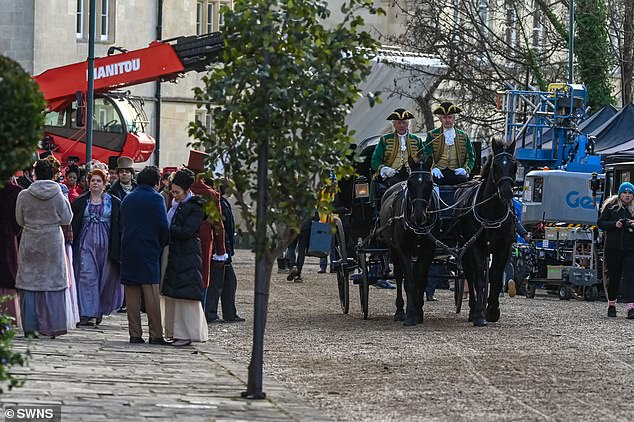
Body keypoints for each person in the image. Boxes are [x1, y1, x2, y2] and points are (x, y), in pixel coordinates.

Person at [15, 159, 73, 338]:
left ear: (35, 174)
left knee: (29, 283)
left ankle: (30, 326)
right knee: (52, 283)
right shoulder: (58, 195)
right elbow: (67, 218)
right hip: (52, 242)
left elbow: (19, 219)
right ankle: (52, 324)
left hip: (31, 240)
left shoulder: (24, 195)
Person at [120, 166, 170, 344]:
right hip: (148, 249)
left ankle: (134, 333)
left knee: (132, 292)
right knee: (151, 294)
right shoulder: (156, 199)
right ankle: (156, 333)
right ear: (156, 182)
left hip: (128, 248)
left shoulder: (128, 198)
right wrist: (161, 243)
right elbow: (163, 226)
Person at [161, 169, 209, 346]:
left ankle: (186, 332)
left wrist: (167, 230)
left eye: (177, 192)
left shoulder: (195, 207)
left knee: (184, 294)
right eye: (172, 192)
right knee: (175, 294)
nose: (173, 195)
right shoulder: (178, 205)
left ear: (187, 190)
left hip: (187, 252)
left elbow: (188, 231)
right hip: (177, 251)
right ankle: (175, 330)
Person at [71, 168, 123, 327]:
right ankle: (87, 313)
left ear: (105, 183)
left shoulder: (114, 202)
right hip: (85, 243)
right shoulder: (81, 201)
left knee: (104, 277)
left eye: (98, 180)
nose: (95, 183)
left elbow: (119, 225)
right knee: (87, 276)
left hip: (106, 243)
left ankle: (98, 309)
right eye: (93, 180)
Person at [205, 182, 245, 323]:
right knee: (217, 284)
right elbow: (221, 229)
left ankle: (229, 313)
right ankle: (212, 313)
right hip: (220, 251)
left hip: (224, 250)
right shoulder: (218, 203)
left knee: (228, 282)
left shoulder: (222, 202)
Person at [597, 182, 634, 319]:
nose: (627, 195)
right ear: (620, 194)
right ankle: (611, 304)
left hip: (631, 248)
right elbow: (600, 223)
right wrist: (614, 224)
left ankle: (631, 307)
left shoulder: (633, 209)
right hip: (613, 248)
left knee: (630, 277)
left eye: (630, 193)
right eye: (625, 193)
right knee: (613, 277)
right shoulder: (611, 207)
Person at [370, 108, 430, 190]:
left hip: (411, 175)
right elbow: (375, 160)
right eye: (398, 123)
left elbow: (423, 157)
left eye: (404, 122)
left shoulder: (416, 140)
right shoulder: (384, 140)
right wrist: (384, 169)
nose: (401, 125)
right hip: (391, 176)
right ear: (394, 124)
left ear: (407, 124)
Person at [426, 101, 475, 186]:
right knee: (432, 182)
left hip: (456, 172)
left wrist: (465, 169)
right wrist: (433, 168)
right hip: (439, 171)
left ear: (454, 118)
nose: (447, 120)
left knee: (463, 182)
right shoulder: (432, 135)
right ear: (440, 119)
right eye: (444, 117)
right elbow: (426, 154)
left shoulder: (463, 136)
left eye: (450, 117)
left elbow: (470, 156)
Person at [0, 178, 23, 328]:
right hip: (8, 235)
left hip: (8, 233)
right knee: (9, 273)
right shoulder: (16, 191)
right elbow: (19, 220)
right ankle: (10, 313)